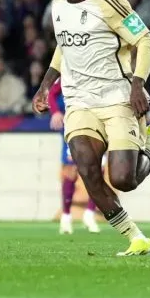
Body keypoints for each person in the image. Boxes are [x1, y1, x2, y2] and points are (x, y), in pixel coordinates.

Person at [32, 0, 150, 257]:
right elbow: (63, 48)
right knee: (86, 167)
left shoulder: (112, 1)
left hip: (118, 98)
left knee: (124, 179)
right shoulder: (58, 6)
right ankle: (137, 239)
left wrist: (138, 85)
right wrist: (45, 85)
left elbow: (146, 41)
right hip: (79, 102)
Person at [48, 79, 100, 234]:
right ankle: (66, 217)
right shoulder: (69, 68)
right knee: (72, 170)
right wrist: (56, 111)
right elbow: (51, 93)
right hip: (73, 124)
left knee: (98, 170)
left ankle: (89, 214)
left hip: (95, 122)